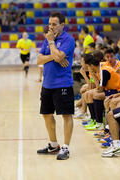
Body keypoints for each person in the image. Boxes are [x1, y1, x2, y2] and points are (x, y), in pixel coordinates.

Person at [36, 12, 75, 160]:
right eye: (49, 24)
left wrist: (52, 44)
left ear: (62, 25)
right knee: (46, 114)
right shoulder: (47, 39)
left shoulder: (68, 40)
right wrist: (54, 56)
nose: (50, 27)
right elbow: (39, 60)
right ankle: (53, 145)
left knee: (66, 115)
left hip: (63, 84)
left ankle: (65, 148)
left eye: (54, 24)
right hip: (47, 84)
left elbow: (60, 57)